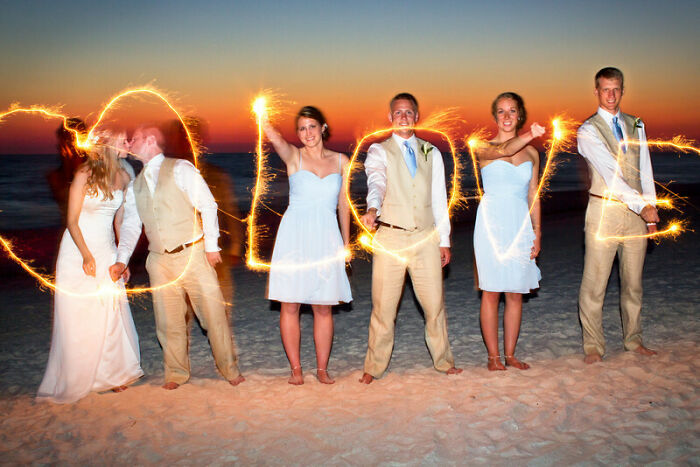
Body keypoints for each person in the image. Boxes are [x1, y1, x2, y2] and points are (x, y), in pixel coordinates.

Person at [109, 126, 244, 389]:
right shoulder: (135, 184)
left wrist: (212, 246)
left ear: (149, 141)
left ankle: (229, 368)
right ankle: (176, 373)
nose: (129, 142)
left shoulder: (181, 168)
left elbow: (207, 205)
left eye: (134, 139)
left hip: (193, 253)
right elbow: (131, 226)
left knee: (213, 316)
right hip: (159, 260)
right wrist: (122, 259)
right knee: (168, 320)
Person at [359, 93, 462, 384]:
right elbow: (376, 182)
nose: (403, 116)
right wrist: (372, 208)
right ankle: (374, 366)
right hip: (390, 238)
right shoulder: (379, 150)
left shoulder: (432, 152)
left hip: (426, 238)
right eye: (398, 112)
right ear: (390, 117)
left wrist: (445, 240)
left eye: (408, 112)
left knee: (434, 305)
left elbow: (440, 200)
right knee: (383, 307)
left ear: (416, 117)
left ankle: (443, 361)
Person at [37, 131, 143, 403]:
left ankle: (114, 374)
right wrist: (85, 255)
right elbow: (72, 220)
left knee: (110, 310)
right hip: (77, 250)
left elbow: (120, 223)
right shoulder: (84, 174)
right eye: (123, 141)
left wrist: (123, 259)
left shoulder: (125, 176)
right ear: (108, 145)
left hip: (107, 251)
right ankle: (82, 375)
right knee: (80, 313)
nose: (128, 144)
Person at [261, 106, 352, 385]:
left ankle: (322, 369)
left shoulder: (341, 161)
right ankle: (296, 369)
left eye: (312, 126)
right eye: (302, 128)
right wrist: (262, 116)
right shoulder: (294, 156)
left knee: (323, 306)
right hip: (294, 237)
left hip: (326, 236)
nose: (307, 133)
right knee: (290, 304)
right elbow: (274, 138)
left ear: (323, 127)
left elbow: (343, 205)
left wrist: (346, 244)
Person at [577, 67, 659, 364]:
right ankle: (593, 347)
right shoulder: (587, 130)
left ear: (622, 90)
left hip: (637, 213)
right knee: (595, 283)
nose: (611, 95)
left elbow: (644, 168)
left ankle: (634, 340)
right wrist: (641, 205)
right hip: (604, 211)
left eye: (616, 89)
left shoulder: (636, 124)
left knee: (633, 283)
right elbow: (611, 176)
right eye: (605, 89)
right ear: (596, 91)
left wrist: (650, 209)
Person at [472, 92, 545, 371]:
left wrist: (537, 231)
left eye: (512, 111)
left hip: (519, 223)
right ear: (494, 117)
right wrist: (530, 134)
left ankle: (510, 354)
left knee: (515, 292)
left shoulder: (532, 153)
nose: (506, 117)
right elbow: (504, 151)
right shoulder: (483, 146)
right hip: (491, 224)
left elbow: (533, 194)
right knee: (491, 291)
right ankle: (493, 356)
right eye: (501, 111)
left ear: (519, 114)